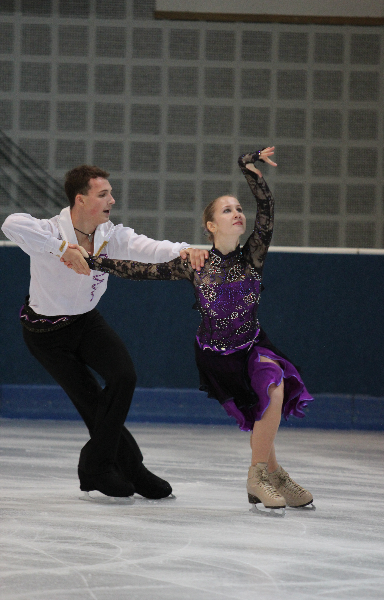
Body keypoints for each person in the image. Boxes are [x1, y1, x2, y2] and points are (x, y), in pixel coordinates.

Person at [70, 147, 315, 511]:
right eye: (227, 210)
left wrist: (247, 168)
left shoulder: (253, 255)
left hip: (253, 346)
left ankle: (257, 476)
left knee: (274, 386)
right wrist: (93, 261)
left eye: (238, 208)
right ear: (210, 226)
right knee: (259, 409)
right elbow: (140, 270)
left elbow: (267, 210)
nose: (237, 213)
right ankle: (274, 475)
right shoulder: (195, 265)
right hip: (217, 356)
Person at [1, 164, 208, 501]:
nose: (112, 199)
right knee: (92, 402)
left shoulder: (111, 236)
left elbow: (150, 247)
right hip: (45, 335)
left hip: (86, 322)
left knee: (123, 377)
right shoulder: (49, 231)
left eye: (110, 193)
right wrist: (62, 249)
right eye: (103, 194)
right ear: (81, 200)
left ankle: (97, 467)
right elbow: (11, 223)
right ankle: (133, 470)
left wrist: (185, 249)